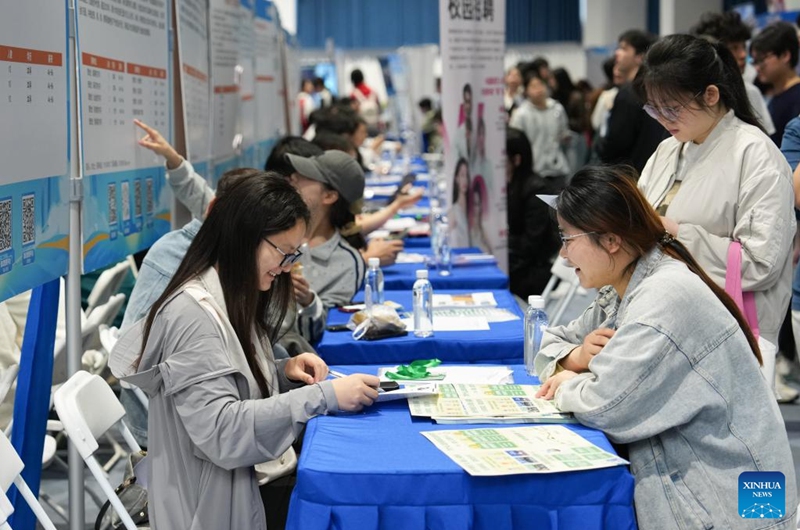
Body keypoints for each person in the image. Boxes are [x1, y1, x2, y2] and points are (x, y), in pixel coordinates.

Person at [110, 173, 379, 530]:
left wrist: (282, 370)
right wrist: (322, 396)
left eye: (293, 255)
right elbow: (223, 431)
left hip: (241, 484)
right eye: (283, 253)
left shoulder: (230, 292)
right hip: (211, 505)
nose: (286, 268)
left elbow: (228, 381)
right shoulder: (193, 316)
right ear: (244, 237)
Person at [534, 165, 797, 530]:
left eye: (568, 239)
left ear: (611, 240)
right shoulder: (625, 285)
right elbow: (543, 343)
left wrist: (566, 384)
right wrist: (575, 357)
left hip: (739, 505)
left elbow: (607, 405)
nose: (563, 255)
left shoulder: (663, 298)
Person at [636, 33, 795, 393]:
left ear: (711, 94)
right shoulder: (666, 150)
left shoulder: (756, 154)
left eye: (671, 108)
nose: (662, 119)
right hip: (661, 319)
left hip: (726, 331)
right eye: (653, 108)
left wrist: (675, 232)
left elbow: (761, 263)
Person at [690, 10, 776, 136]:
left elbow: (767, 140)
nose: (743, 55)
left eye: (743, 47)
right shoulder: (693, 96)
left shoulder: (750, 92)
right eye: (735, 48)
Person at [595, 29, 667, 174]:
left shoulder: (629, 93)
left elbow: (616, 144)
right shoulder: (657, 89)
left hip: (633, 175)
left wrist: (600, 145)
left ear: (640, 57)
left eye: (623, 48)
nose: (616, 53)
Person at [506, 127, 561, 299]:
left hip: (533, 269)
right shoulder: (510, 185)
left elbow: (531, 245)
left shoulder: (537, 190)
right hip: (516, 260)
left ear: (516, 160)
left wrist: (499, 240)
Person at [509, 70, 571, 190]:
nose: (538, 89)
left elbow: (564, 133)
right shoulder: (521, 114)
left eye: (540, 85)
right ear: (526, 91)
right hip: (534, 170)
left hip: (557, 168)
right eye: (533, 86)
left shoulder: (557, 109)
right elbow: (515, 142)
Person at [750, 20, 800, 144]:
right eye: (755, 61)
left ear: (785, 55)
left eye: (761, 60)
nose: (757, 67)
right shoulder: (771, 96)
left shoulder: (797, 98)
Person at [449, 157, 470, 247]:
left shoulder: (473, 208)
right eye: (462, 175)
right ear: (457, 178)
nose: (465, 180)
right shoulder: (454, 212)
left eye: (467, 176)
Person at [468, 175, 491, 253]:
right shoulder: (468, 231)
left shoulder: (484, 231)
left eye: (477, 204)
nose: (475, 208)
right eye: (473, 204)